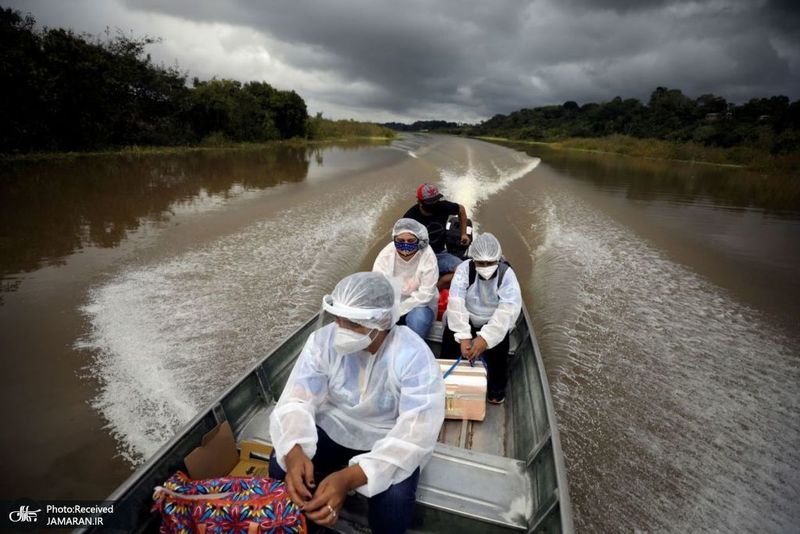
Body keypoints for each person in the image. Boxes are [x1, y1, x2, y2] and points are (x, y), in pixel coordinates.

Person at [268, 272, 445, 533]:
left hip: (385, 437)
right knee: (280, 464)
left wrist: (347, 479)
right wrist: (294, 453)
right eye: (339, 320)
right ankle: (303, 522)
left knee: (394, 503)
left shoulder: (412, 355)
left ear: (383, 321)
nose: (343, 330)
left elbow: (414, 436)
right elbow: (296, 400)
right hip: (334, 426)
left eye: (355, 324)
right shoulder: (322, 342)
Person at [441, 233, 522, 405]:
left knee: (499, 350)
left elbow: (507, 310)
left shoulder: (507, 274)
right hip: (466, 316)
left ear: (498, 259)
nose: (485, 267)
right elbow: (456, 302)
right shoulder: (465, 269)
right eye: (481, 263)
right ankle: (445, 382)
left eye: (490, 263)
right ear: (473, 259)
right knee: (450, 342)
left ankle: (496, 389)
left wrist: (485, 339)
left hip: (493, 320)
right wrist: (463, 337)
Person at [372, 218, 439, 339]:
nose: (405, 245)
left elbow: (425, 295)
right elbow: (378, 286)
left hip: (420, 304)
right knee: (374, 322)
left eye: (411, 240)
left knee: (419, 320)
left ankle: (413, 350)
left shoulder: (428, 256)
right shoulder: (385, 255)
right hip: (392, 302)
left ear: (420, 241)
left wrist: (398, 311)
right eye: (400, 240)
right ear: (394, 239)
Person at [403, 183, 469, 286]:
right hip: (419, 257)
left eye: (436, 200)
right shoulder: (410, 218)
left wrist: (463, 234)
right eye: (430, 202)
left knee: (464, 270)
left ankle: (437, 287)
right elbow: (401, 243)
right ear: (420, 201)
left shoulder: (443, 207)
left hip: (439, 254)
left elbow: (461, 210)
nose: (435, 204)